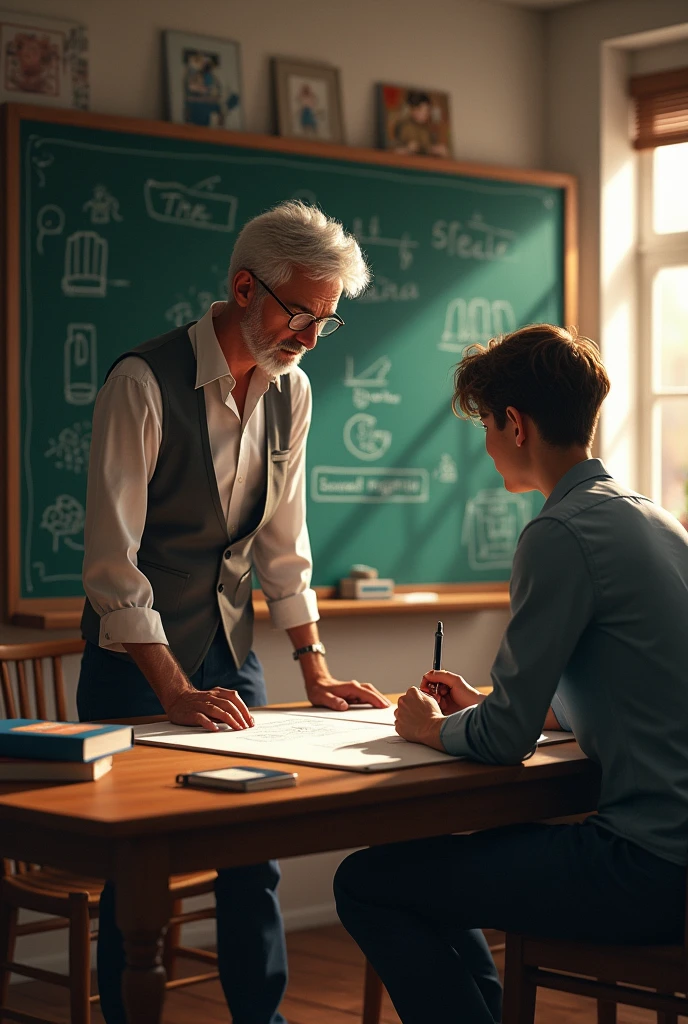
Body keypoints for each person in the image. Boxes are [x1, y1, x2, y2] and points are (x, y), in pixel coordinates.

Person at [77, 200, 390, 1024]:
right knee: (134, 874)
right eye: (299, 313)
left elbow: (285, 542)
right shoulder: (141, 383)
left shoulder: (295, 391)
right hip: (134, 671)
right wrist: (173, 691)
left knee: (253, 857)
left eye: (327, 321)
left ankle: (265, 1019)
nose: (309, 336)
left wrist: (313, 668)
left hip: (231, 659)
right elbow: (113, 568)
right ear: (244, 287)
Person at [334, 323, 688, 1024]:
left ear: (514, 424)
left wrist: (432, 727)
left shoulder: (559, 534)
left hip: (645, 870)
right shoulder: (656, 521)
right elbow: (633, 690)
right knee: (423, 868)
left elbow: (502, 743)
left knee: (367, 882)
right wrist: (486, 703)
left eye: (487, 427)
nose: (487, 445)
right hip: (676, 860)